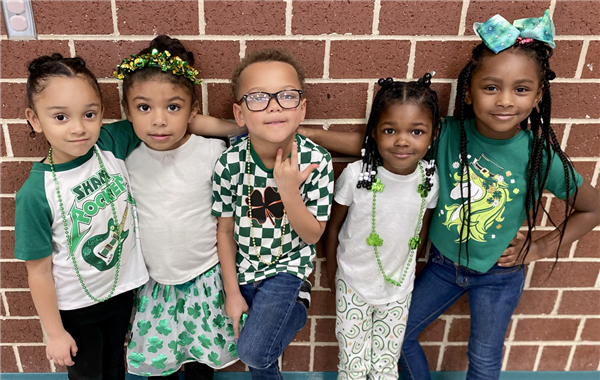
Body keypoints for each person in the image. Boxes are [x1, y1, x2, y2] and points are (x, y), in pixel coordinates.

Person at [302, 10, 600, 380]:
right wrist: (311, 135)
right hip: (442, 267)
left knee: (485, 359)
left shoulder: (539, 155)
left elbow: (592, 208)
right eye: (491, 87)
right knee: (400, 337)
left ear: (538, 96)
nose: (505, 100)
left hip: (498, 276)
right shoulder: (445, 134)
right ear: (469, 94)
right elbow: (372, 145)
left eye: (521, 89)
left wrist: (539, 247)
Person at [14, 54, 149, 380]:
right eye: (60, 117)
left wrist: (240, 130)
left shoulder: (110, 142)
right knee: (89, 375)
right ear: (34, 119)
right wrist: (54, 332)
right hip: (77, 308)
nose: (78, 128)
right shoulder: (35, 193)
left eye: (89, 114)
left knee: (116, 364)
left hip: (120, 292)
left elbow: (166, 123)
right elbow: (39, 273)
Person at [118, 36, 239, 378]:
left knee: (201, 365)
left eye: (173, 107)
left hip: (204, 279)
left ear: (193, 109)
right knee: (162, 366)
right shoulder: (126, 159)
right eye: (144, 108)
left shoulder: (213, 151)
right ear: (127, 110)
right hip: (155, 284)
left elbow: (254, 132)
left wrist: (210, 126)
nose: (159, 121)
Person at [212, 48, 334, 380]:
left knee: (251, 350)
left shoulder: (316, 161)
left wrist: (288, 188)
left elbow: (312, 235)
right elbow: (225, 231)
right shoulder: (230, 164)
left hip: (288, 267)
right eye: (258, 98)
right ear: (240, 114)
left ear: (302, 108)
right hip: (247, 267)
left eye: (286, 96)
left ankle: (297, 304)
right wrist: (232, 293)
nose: (274, 105)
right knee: (261, 360)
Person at [325, 73, 441, 380]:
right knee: (354, 366)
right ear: (374, 133)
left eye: (417, 131)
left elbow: (421, 231)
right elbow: (333, 227)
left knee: (385, 366)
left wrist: (410, 268)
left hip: (398, 290)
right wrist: (331, 270)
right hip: (353, 284)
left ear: (433, 133)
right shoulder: (356, 175)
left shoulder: (430, 180)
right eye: (390, 130)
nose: (402, 141)